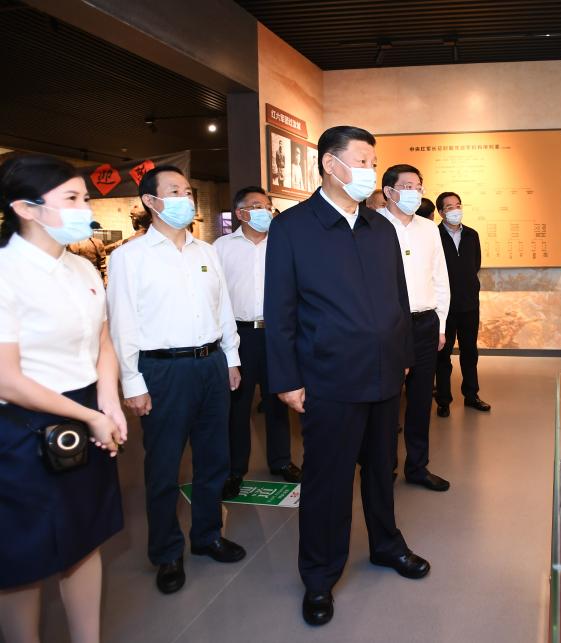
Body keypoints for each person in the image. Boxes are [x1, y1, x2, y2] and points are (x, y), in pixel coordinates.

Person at [265, 125, 429, 627]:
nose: (370, 172)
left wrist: (403, 354)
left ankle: (386, 544)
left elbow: (399, 297)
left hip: (384, 373)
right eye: (362, 161)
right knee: (328, 482)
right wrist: (286, 379)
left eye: (373, 163)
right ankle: (319, 575)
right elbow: (280, 310)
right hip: (329, 379)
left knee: (382, 469)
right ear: (330, 164)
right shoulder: (294, 227)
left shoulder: (381, 227)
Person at [0, 155, 126, 643]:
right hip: (22, 426)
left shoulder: (82, 268)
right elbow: (6, 379)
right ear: (25, 209)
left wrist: (108, 399)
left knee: (84, 538)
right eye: (71, 199)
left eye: (85, 198)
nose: (84, 209)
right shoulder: (7, 272)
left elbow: (103, 341)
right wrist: (89, 415)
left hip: (85, 409)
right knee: (23, 556)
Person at [107, 165, 245, 596]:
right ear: (150, 201)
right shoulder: (129, 257)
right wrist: (132, 381)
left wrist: (231, 357)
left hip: (211, 364)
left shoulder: (206, 252)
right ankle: (167, 552)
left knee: (214, 459)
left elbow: (223, 308)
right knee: (164, 466)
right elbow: (122, 323)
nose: (185, 198)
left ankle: (207, 535)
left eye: (187, 191)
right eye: (174, 191)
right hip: (163, 370)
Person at [214, 186, 300, 501]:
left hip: (277, 333)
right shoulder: (221, 247)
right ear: (240, 213)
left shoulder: (282, 243)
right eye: (256, 205)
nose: (264, 210)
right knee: (238, 405)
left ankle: (281, 461)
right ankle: (235, 469)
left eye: (267, 205)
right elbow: (215, 295)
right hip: (240, 334)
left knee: (279, 398)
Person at [378, 165, 451, 492]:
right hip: (388, 326)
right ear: (389, 191)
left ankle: (418, 466)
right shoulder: (373, 225)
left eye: (418, 186)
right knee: (387, 401)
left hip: (425, 323)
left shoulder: (429, 229)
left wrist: (441, 324)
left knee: (421, 401)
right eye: (407, 186)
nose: (414, 192)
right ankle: (384, 467)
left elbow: (440, 278)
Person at [434, 192, 491, 416]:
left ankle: (471, 395)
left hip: (469, 304)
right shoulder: (434, 235)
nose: (455, 210)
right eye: (449, 207)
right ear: (441, 212)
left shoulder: (471, 235)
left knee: (470, 352)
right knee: (443, 355)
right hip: (444, 307)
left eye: (457, 205)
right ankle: (443, 400)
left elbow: (475, 264)